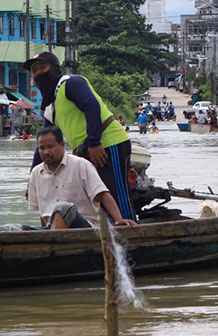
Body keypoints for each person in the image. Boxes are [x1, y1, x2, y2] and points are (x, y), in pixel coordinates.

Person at [24, 51, 136, 221]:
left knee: (115, 193)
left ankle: (130, 229)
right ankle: (102, 233)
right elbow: (44, 142)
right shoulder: (50, 108)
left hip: (107, 142)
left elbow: (91, 106)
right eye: (34, 70)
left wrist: (94, 142)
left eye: (42, 67)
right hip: (85, 151)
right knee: (94, 198)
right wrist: (31, 181)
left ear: (53, 68)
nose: (38, 73)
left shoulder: (70, 83)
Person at [27, 126, 137, 230]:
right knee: (16, 229)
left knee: (63, 208)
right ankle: (50, 239)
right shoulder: (36, 173)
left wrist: (119, 220)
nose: (46, 152)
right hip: (51, 229)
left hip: (85, 227)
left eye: (50, 147)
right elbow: (43, 215)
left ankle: (52, 239)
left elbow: (103, 194)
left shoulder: (81, 165)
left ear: (62, 145)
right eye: (42, 148)